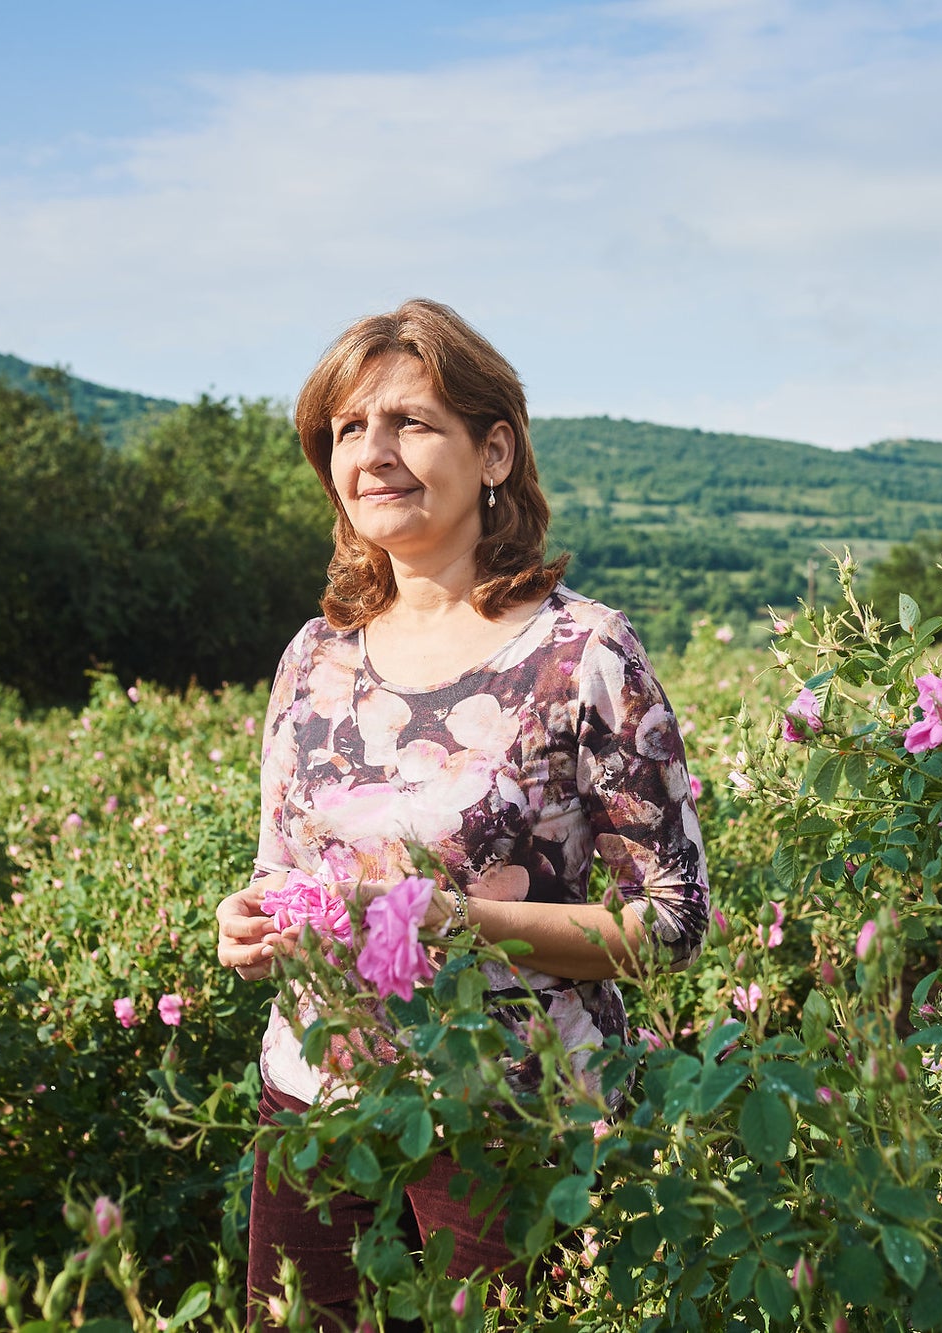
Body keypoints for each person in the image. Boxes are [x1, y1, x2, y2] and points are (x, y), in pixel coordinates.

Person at [213, 299, 710, 1330]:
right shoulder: (315, 657)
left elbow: (668, 926)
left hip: (513, 1112)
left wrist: (458, 922)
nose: (373, 454)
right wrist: (252, 922)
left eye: (409, 423)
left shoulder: (583, 655)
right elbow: (276, 863)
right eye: (348, 430)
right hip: (313, 1095)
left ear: (493, 452)